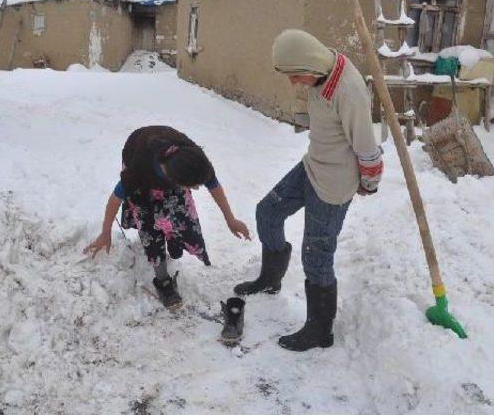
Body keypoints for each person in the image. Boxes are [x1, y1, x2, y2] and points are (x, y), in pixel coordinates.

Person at [234, 30, 383, 351]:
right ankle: (271, 279)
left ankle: (320, 331)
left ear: (310, 64)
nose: (293, 83)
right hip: (313, 165)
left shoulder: (349, 93)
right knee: (268, 210)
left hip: (334, 184)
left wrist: (369, 182)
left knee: (316, 256)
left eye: (295, 76)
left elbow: (368, 147)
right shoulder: (322, 70)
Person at [85, 125, 250, 309]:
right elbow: (115, 199)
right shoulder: (137, 172)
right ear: (175, 180)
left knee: (182, 217)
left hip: (165, 162)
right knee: (149, 227)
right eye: (192, 186)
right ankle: (163, 281)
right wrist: (105, 232)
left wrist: (230, 219)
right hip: (139, 161)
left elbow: (214, 185)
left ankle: (173, 238)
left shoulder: (194, 159)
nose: (195, 189)